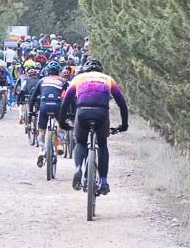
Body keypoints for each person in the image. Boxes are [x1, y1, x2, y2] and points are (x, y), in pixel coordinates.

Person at [59, 58, 128, 196]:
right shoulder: (108, 79)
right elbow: (122, 104)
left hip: (82, 112)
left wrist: (62, 122)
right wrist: (124, 124)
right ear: (100, 70)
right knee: (102, 144)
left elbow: (66, 102)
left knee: (80, 142)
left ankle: (78, 167)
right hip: (101, 113)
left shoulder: (78, 78)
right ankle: (103, 181)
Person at [30, 61, 68, 167]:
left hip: (44, 106)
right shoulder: (63, 81)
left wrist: (30, 111)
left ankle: (41, 150)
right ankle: (59, 144)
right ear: (58, 72)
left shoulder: (42, 80)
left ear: (47, 71)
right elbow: (69, 96)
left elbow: (33, 97)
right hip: (57, 106)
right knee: (61, 125)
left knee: (42, 131)